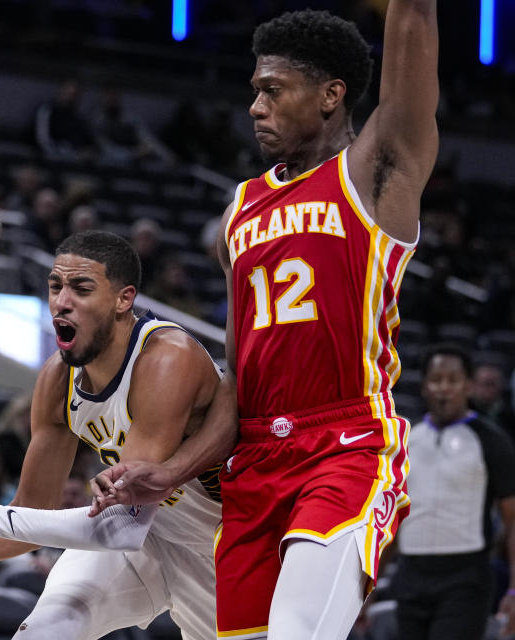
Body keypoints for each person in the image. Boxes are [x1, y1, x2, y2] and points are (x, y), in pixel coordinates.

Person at [91, 4, 440, 639]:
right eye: (254, 91)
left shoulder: (376, 172)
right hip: (254, 460)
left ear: (331, 95)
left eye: (272, 91)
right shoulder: (240, 212)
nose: (255, 107)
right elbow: (239, 380)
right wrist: (172, 471)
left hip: (347, 445)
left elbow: (413, 32)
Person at [0, 230, 223, 639]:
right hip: (144, 542)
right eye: (55, 286)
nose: (62, 301)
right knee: (44, 631)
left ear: (124, 299)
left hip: (220, 549)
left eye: (81, 288)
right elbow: (29, 518)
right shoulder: (57, 378)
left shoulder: (167, 358)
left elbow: (124, 523)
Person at [392, 344, 515, 639]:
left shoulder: (492, 441)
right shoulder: (405, 440)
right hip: (409, 573)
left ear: (469, 385)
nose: (444, 388)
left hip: (465, 577)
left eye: (453, 380)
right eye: (436, 380)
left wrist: (513, 588)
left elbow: (512, 522)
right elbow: (390, 518)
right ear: (423, 387)